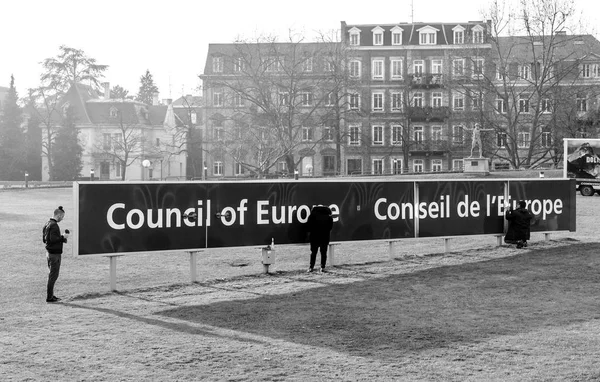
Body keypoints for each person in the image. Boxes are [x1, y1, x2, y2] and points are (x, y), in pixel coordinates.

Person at [43, 206, 68, 302]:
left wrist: (60, 238)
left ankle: (51, 296)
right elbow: (53, 239)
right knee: (53, 276)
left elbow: (45, 239)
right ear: (58, 215)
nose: (62, 218)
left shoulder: (47, 223)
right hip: (54, 254)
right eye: (62, 216)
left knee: (52, 275)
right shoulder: (54, 225)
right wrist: (62, 237)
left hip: (49, 253)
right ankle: (49, 297)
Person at [306, 205, 334, 273]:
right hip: (325, 237)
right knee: (324, 253)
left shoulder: (312, 216)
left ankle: (311, 267)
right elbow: (330, 228)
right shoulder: (329, 217)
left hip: (314, 237)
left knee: (313, 253)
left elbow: (308, 227)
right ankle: (322, 267)